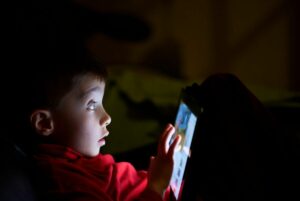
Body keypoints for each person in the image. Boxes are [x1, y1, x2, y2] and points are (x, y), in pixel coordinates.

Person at [8, 51, 181, 201]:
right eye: (91, 105)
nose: (107, 118)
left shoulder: (79, 159)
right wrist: (157, 186)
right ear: (44, 123)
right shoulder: (65, 182)